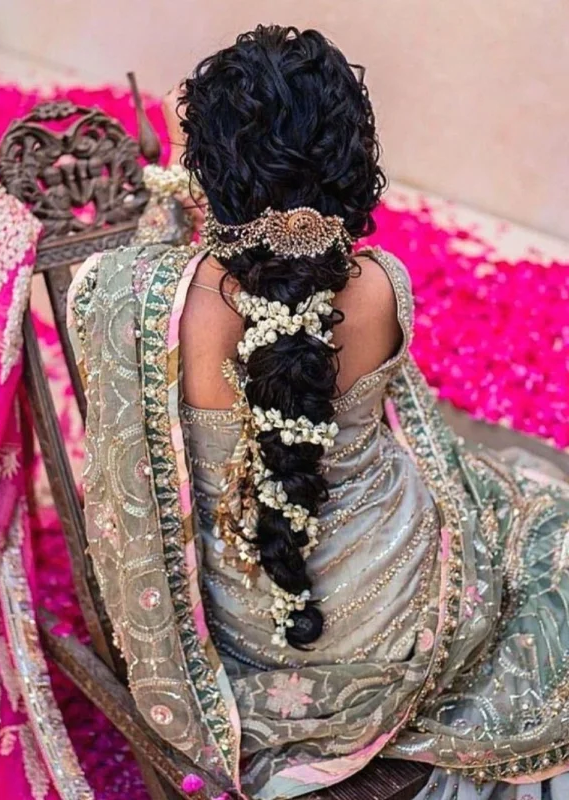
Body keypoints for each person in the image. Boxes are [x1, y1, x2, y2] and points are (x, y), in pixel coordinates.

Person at [67, 25, 569, 800]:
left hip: (252, 625)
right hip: (400, 607)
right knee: (528, 512)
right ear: (347, 155)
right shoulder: (382, 283)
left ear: (212, 167)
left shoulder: (139, 299)